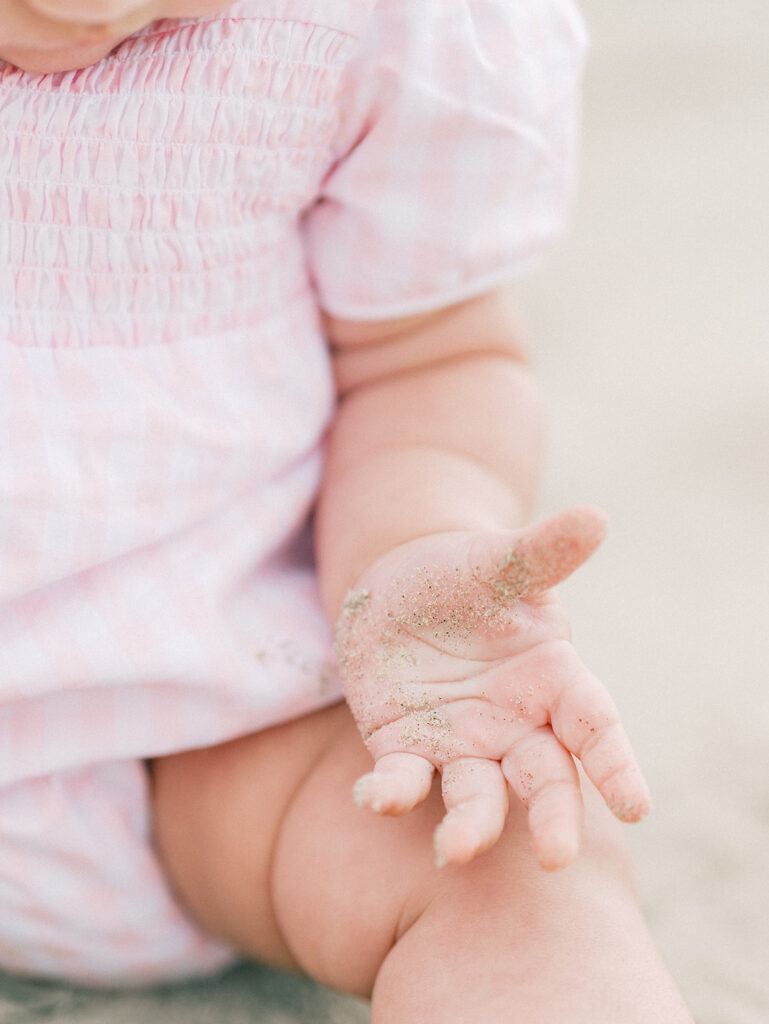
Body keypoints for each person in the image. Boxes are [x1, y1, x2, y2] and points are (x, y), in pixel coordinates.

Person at [0, 0, 694, 1018]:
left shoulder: (383, 28)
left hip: (218, 733)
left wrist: (410, 546)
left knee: (512, 851)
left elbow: (429, 356)